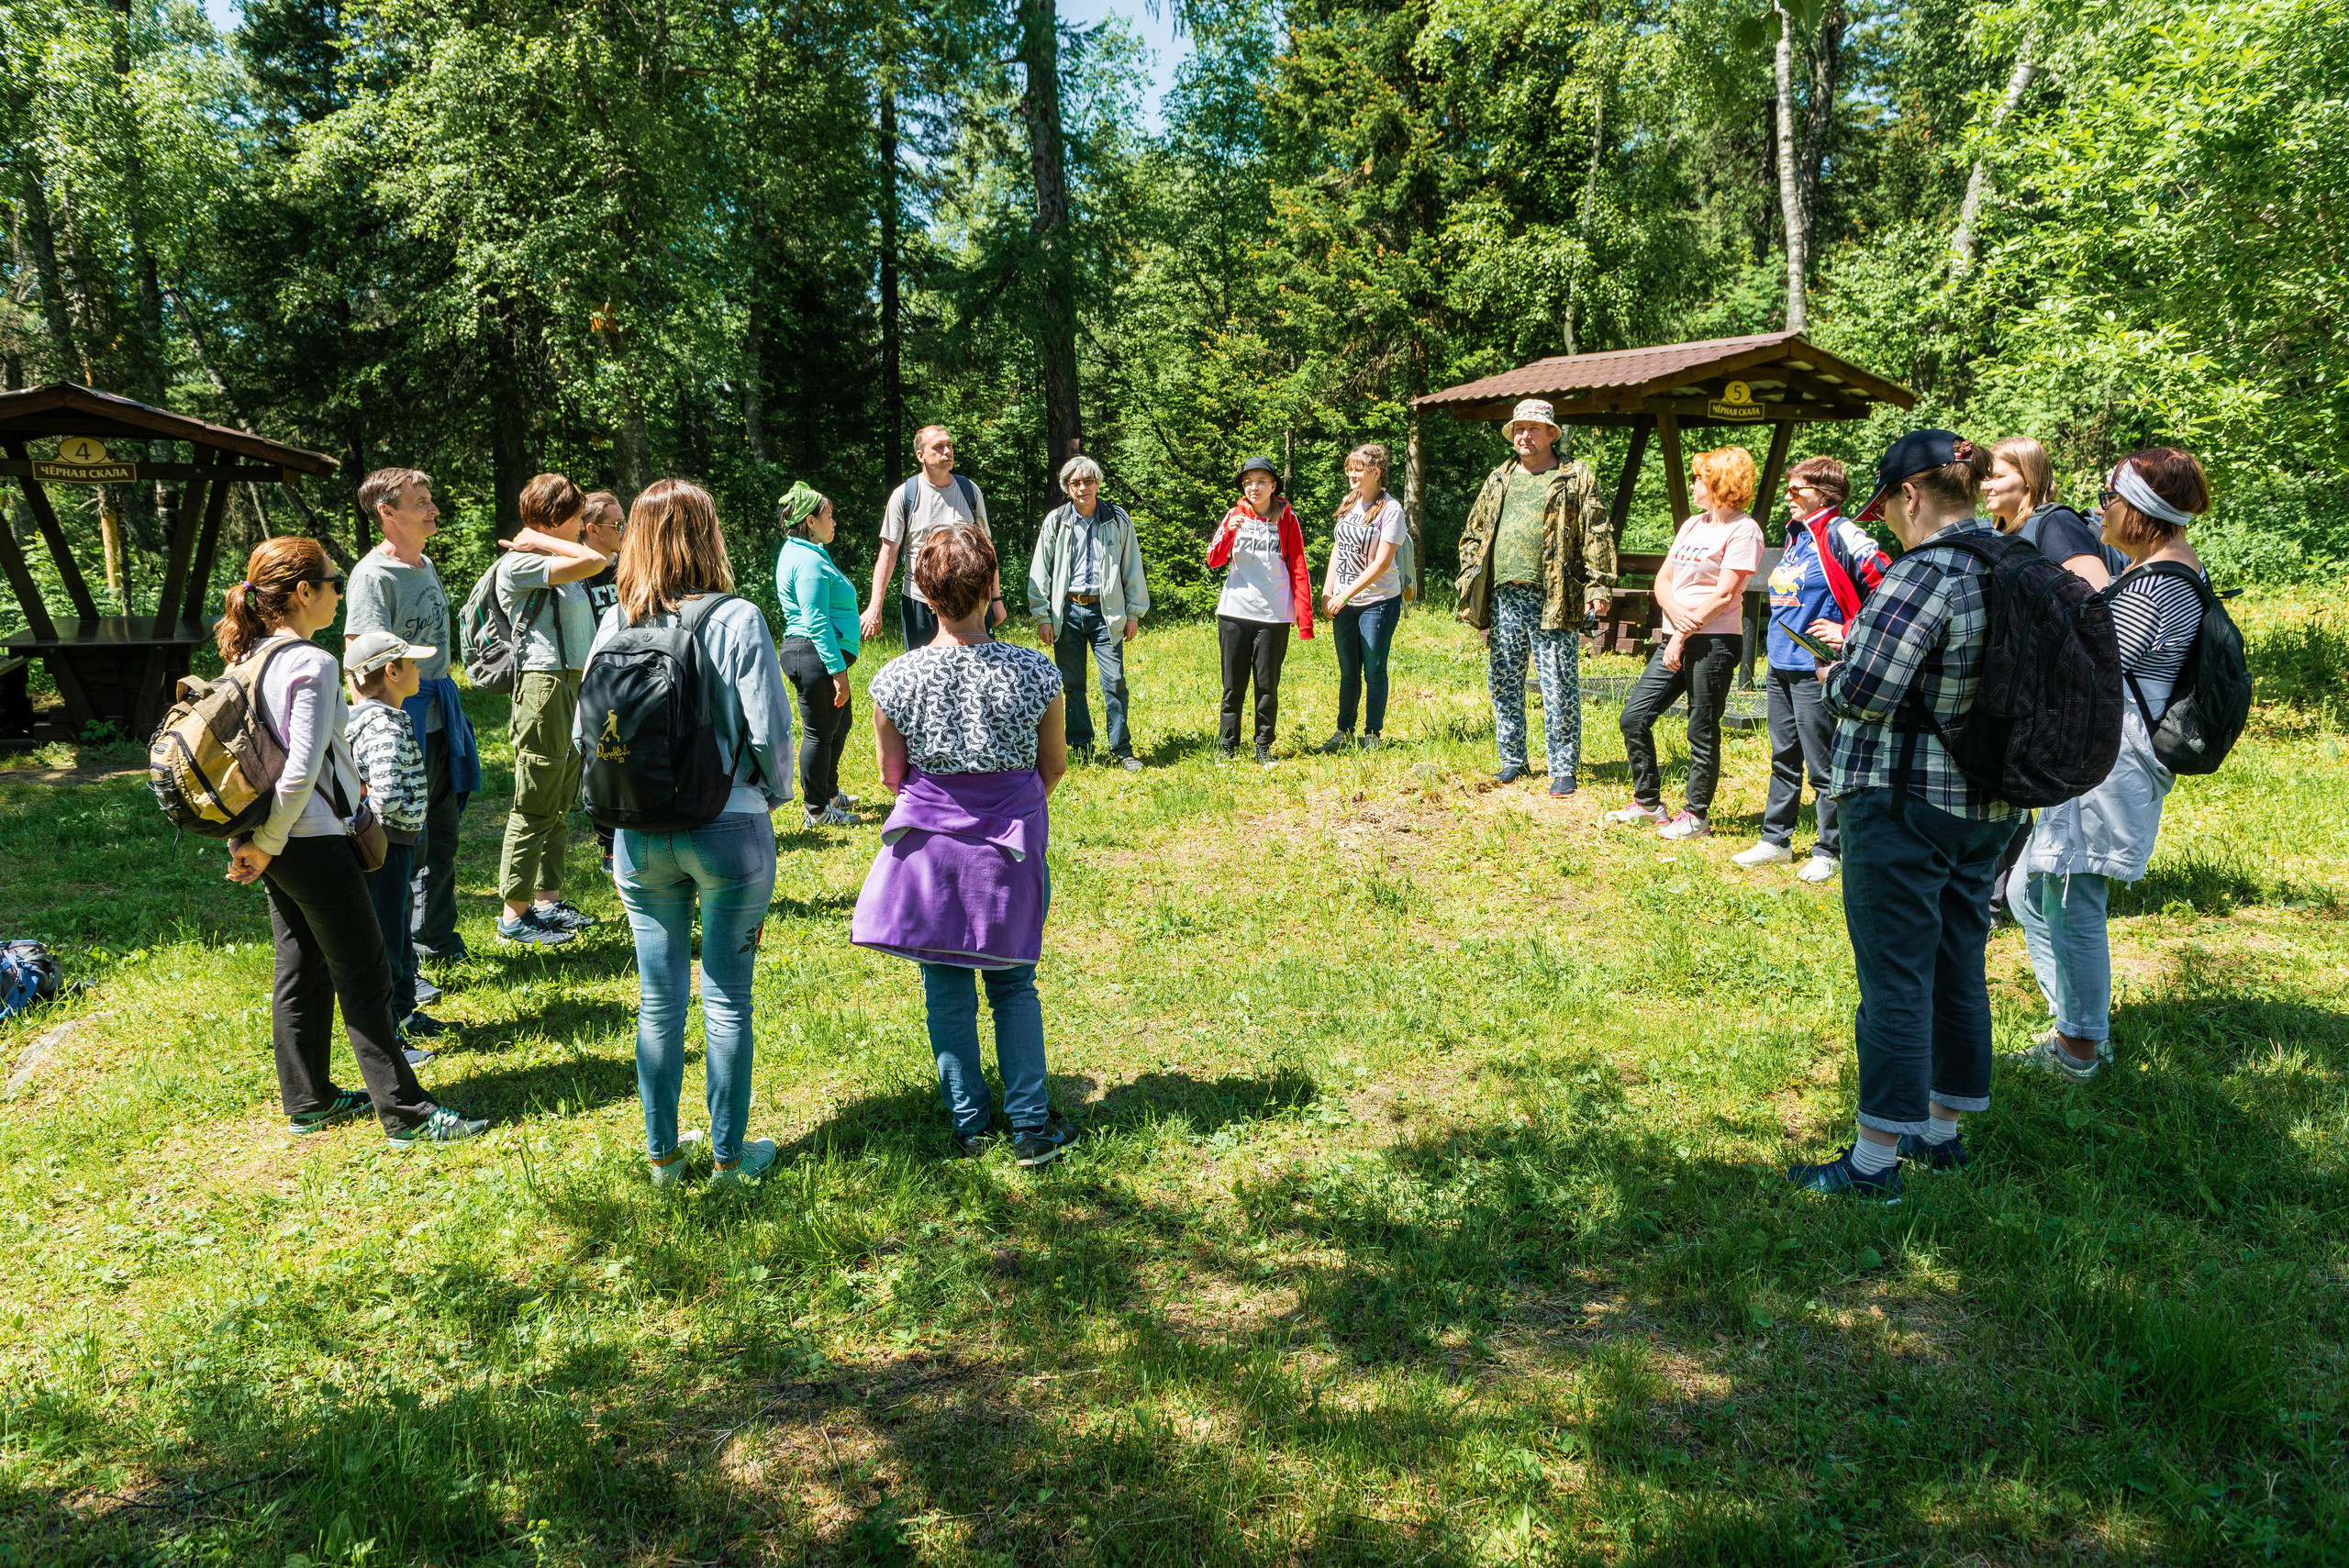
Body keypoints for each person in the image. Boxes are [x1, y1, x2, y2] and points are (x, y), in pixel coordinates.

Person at [1786, 429, 2016, 1199]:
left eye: (1888, 510)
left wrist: (1839, 662)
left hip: (1902, 801)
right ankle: (1940, 1134)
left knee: (1894, 977)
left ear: (1912, 496)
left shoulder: (1926, 574)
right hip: (1989, 801)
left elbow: (1862, 694)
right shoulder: (2018, 563)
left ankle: (1875, 1160)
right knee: (1959, 962)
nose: (1888, 524)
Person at [219, 537, 487, 1148]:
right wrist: (267, 841)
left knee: (302, 966)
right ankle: (408, 1115)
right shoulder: (310, 663)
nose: (342, 591)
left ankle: (309, 1099)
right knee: (364, 972)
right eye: (334, 581)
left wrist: (256, 841)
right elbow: (300, 770)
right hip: (307, 839)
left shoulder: (249, 659)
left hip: (277, 843)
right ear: (304, 593)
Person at [577, 478, 796, 1189]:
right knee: (728, 996)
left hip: (638, 836)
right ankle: (731, 1160)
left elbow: (592, 731)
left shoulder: (614, 623)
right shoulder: (737, 618)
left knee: (659, 997)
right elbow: (768, 727)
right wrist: (776, 792)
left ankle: (665, 1157)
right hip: (728, 826)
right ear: (709, 536)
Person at [851, 524, 1081, 1168]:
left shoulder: (896, 679)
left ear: (924, 594)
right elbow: (1054, 764)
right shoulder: (1037, 671)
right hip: (1008, 842)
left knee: (945, 987)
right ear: (992, 588)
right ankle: (1031, 1126)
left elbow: (890, 776)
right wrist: (1008, 804)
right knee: (1013, 984)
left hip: (930, 850)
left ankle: (971, 1122)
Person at [2008, 449, 2211, 1082]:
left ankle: (2079, 1049)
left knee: (2071, 896)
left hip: (2112, 757)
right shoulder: (2166, 568)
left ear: (2144, 515)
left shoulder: (2157, 584)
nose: (2102, 507)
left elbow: (2090, 660)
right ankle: (2072, 1022)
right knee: (2027, 891)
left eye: (2113, 498)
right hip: (2104, 752)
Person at [346, 468, 480, 1020]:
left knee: (442, 828)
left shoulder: (423, 564)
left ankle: (435, 937)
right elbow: (360, 659)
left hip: (439, 709)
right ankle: (401, 970)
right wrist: (379, 729)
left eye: (431, 500)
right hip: (403, 716)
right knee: (403, 845)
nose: (433, 510)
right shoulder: (372, 577)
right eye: (420, 503)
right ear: (387, 512)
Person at [1734, 458, 1888, 882]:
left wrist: (1849, 629)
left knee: (1822, 762)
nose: (1788, 495)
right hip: (1781, 664)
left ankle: (1828, 848)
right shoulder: (1797, 536)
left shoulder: (1841, 532)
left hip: (1816, 668)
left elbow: (1887, 580)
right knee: (1783, 755)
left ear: (1824, 493)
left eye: (1796, 489)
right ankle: (1775, 840)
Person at [1454, 399, 1616, 793]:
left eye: (1533, 429)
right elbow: (1474, 531)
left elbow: (1597, 532)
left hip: (1556, 596)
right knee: (1504, 680)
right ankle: (1512, 760)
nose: (1525, 436)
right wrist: (1468, 576)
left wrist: (1598, 584)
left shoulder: (1574, 476)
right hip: (1504, 595)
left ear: (1551, 434)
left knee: (1557, 681)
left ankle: (1563, 767)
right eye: (1519, 429)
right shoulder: (1499, 478)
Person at [1607, 447, 1763, 838]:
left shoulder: (1744, 530)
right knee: (1635, 717)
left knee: (1701, 728)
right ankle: (1649, 804)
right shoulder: (1692, 525)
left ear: (1720, 483)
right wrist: (1674, 613)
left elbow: (1725, 594)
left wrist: (1680, 633)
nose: (1694, 484)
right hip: (1679, 635)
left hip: (1715, 642)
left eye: (1699, 478)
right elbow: (1663, 579)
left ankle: (1696, 816)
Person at [490, 473, 612, 946]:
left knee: (559, 802)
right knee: (536, 801)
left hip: (572, 684)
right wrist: (537, 537)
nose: (584, 526)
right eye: (578, 517)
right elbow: (595, 559)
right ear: (555, 518)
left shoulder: (561, 557)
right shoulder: (521, 562)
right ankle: (513, 916)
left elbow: (595, 559)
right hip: (543, 687)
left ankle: (548, 900)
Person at [344, 632, 435, 1064]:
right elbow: (383, 793)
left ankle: (404, 1014)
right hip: (385, 847)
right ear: (392, 672)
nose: (420, 670)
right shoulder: (381, 725)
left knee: (398, 933)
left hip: (398, 843)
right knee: (386, 939)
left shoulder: (388, 717)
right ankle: (389, 1034)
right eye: (412, 664)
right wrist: (387, 824)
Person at [1028, 455, 1149, 772]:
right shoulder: (1056, 520)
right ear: (1067, 488)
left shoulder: (1117, 519)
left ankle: (1122, 748)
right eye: (1075, 483)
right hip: (1066, 611)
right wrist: (1043, 616)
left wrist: (1133, 613)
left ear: (1097, 483)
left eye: (1088, 481)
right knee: (1072, 685)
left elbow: (1131, 567)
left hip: (1105, 613)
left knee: (1115, 681)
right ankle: (1080, 748)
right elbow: (1040, 570)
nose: (1083, 488)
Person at [1208, 454, 1314, 764]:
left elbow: (1298, 568)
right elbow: (1213, 559)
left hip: (1274, 614)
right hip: (1234, 611)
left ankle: (1263, 746)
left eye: (1261, 481)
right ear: (1244, 485)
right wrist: (1230, 531)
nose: (1254, 486)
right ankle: (1228, 747)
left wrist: (1304, 620)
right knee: (1232, 685)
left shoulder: (1286, 519)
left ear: (1273, 486)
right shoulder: (1234, 516)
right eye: (1249, 481)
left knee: (1267, 685)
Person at [861, 424, 1007, 649]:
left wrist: (995, 598)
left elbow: (986, 547)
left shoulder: (969, 490)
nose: (947, 451)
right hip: (921, 600)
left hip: (971, 601)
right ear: (920, 455)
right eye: (938, 447)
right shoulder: (905, 495)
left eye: (949, 445)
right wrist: (875, 606)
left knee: (979, 665)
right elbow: (888, 553)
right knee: (922, 670)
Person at [774, 481, 863, 828]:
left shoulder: (806, 553)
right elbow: (816, 619)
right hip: (815, 655)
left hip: (818, 655)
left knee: (839, 725)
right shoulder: (807, 561)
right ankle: (817, 810)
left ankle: (828, 792)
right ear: (810, 521)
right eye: (829, 516)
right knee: (819, 733)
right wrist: (837, 671)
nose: (834, 522)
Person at [1314, 443, 1408, 753]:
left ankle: (1372, 734)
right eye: (1349, 468)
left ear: (1376, 473)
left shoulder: (1391, 510)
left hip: (1378, 602)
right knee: (1348, 671)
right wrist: (1328, 592)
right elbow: (1338, 548)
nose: (1351, 474)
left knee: (1374, 669)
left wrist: (1344, 594)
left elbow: (1382, 563)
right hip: (1342, 601)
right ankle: (1343, 731)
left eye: (1358, 468)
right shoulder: (1350, 502)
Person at [1983, 437, 2124, 584]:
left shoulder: (2057, 524)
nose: (1984, 486)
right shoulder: (1999, 530)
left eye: (1996, 477)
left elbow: (2096, 593)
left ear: (2028, 478)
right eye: (1984, 478)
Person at [578, 491, 627, 873]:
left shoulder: (625, 566)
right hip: (590, 677)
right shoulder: (574, 569)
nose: (625, 530)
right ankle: (608, 843)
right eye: (617, 525)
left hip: (627, 672)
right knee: (595, 757)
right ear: (592, 530)